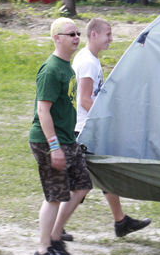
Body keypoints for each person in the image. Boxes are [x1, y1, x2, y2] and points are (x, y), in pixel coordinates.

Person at [63, 18, 150, 240]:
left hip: (85, 128)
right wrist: (105, 121)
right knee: (82, 184)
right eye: (108, 34)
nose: (111, 39)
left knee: (102, 175)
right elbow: (84, 100)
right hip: (83, 131)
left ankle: (120, 221)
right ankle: (56, 227)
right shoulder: (88, 63)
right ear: (94, 34)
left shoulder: (88, 59)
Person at [28, 18, 92, 255]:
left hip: (67, 138)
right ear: (57, 38)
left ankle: (55, 236)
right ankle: (42, 251)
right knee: (54, 196)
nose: (76, 37)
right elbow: (43, 111)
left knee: (83, 185)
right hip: (48, 141)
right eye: (70, 34)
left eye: (78, 33)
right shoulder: (51, 69)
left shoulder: (68, 67)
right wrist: (54, 146)